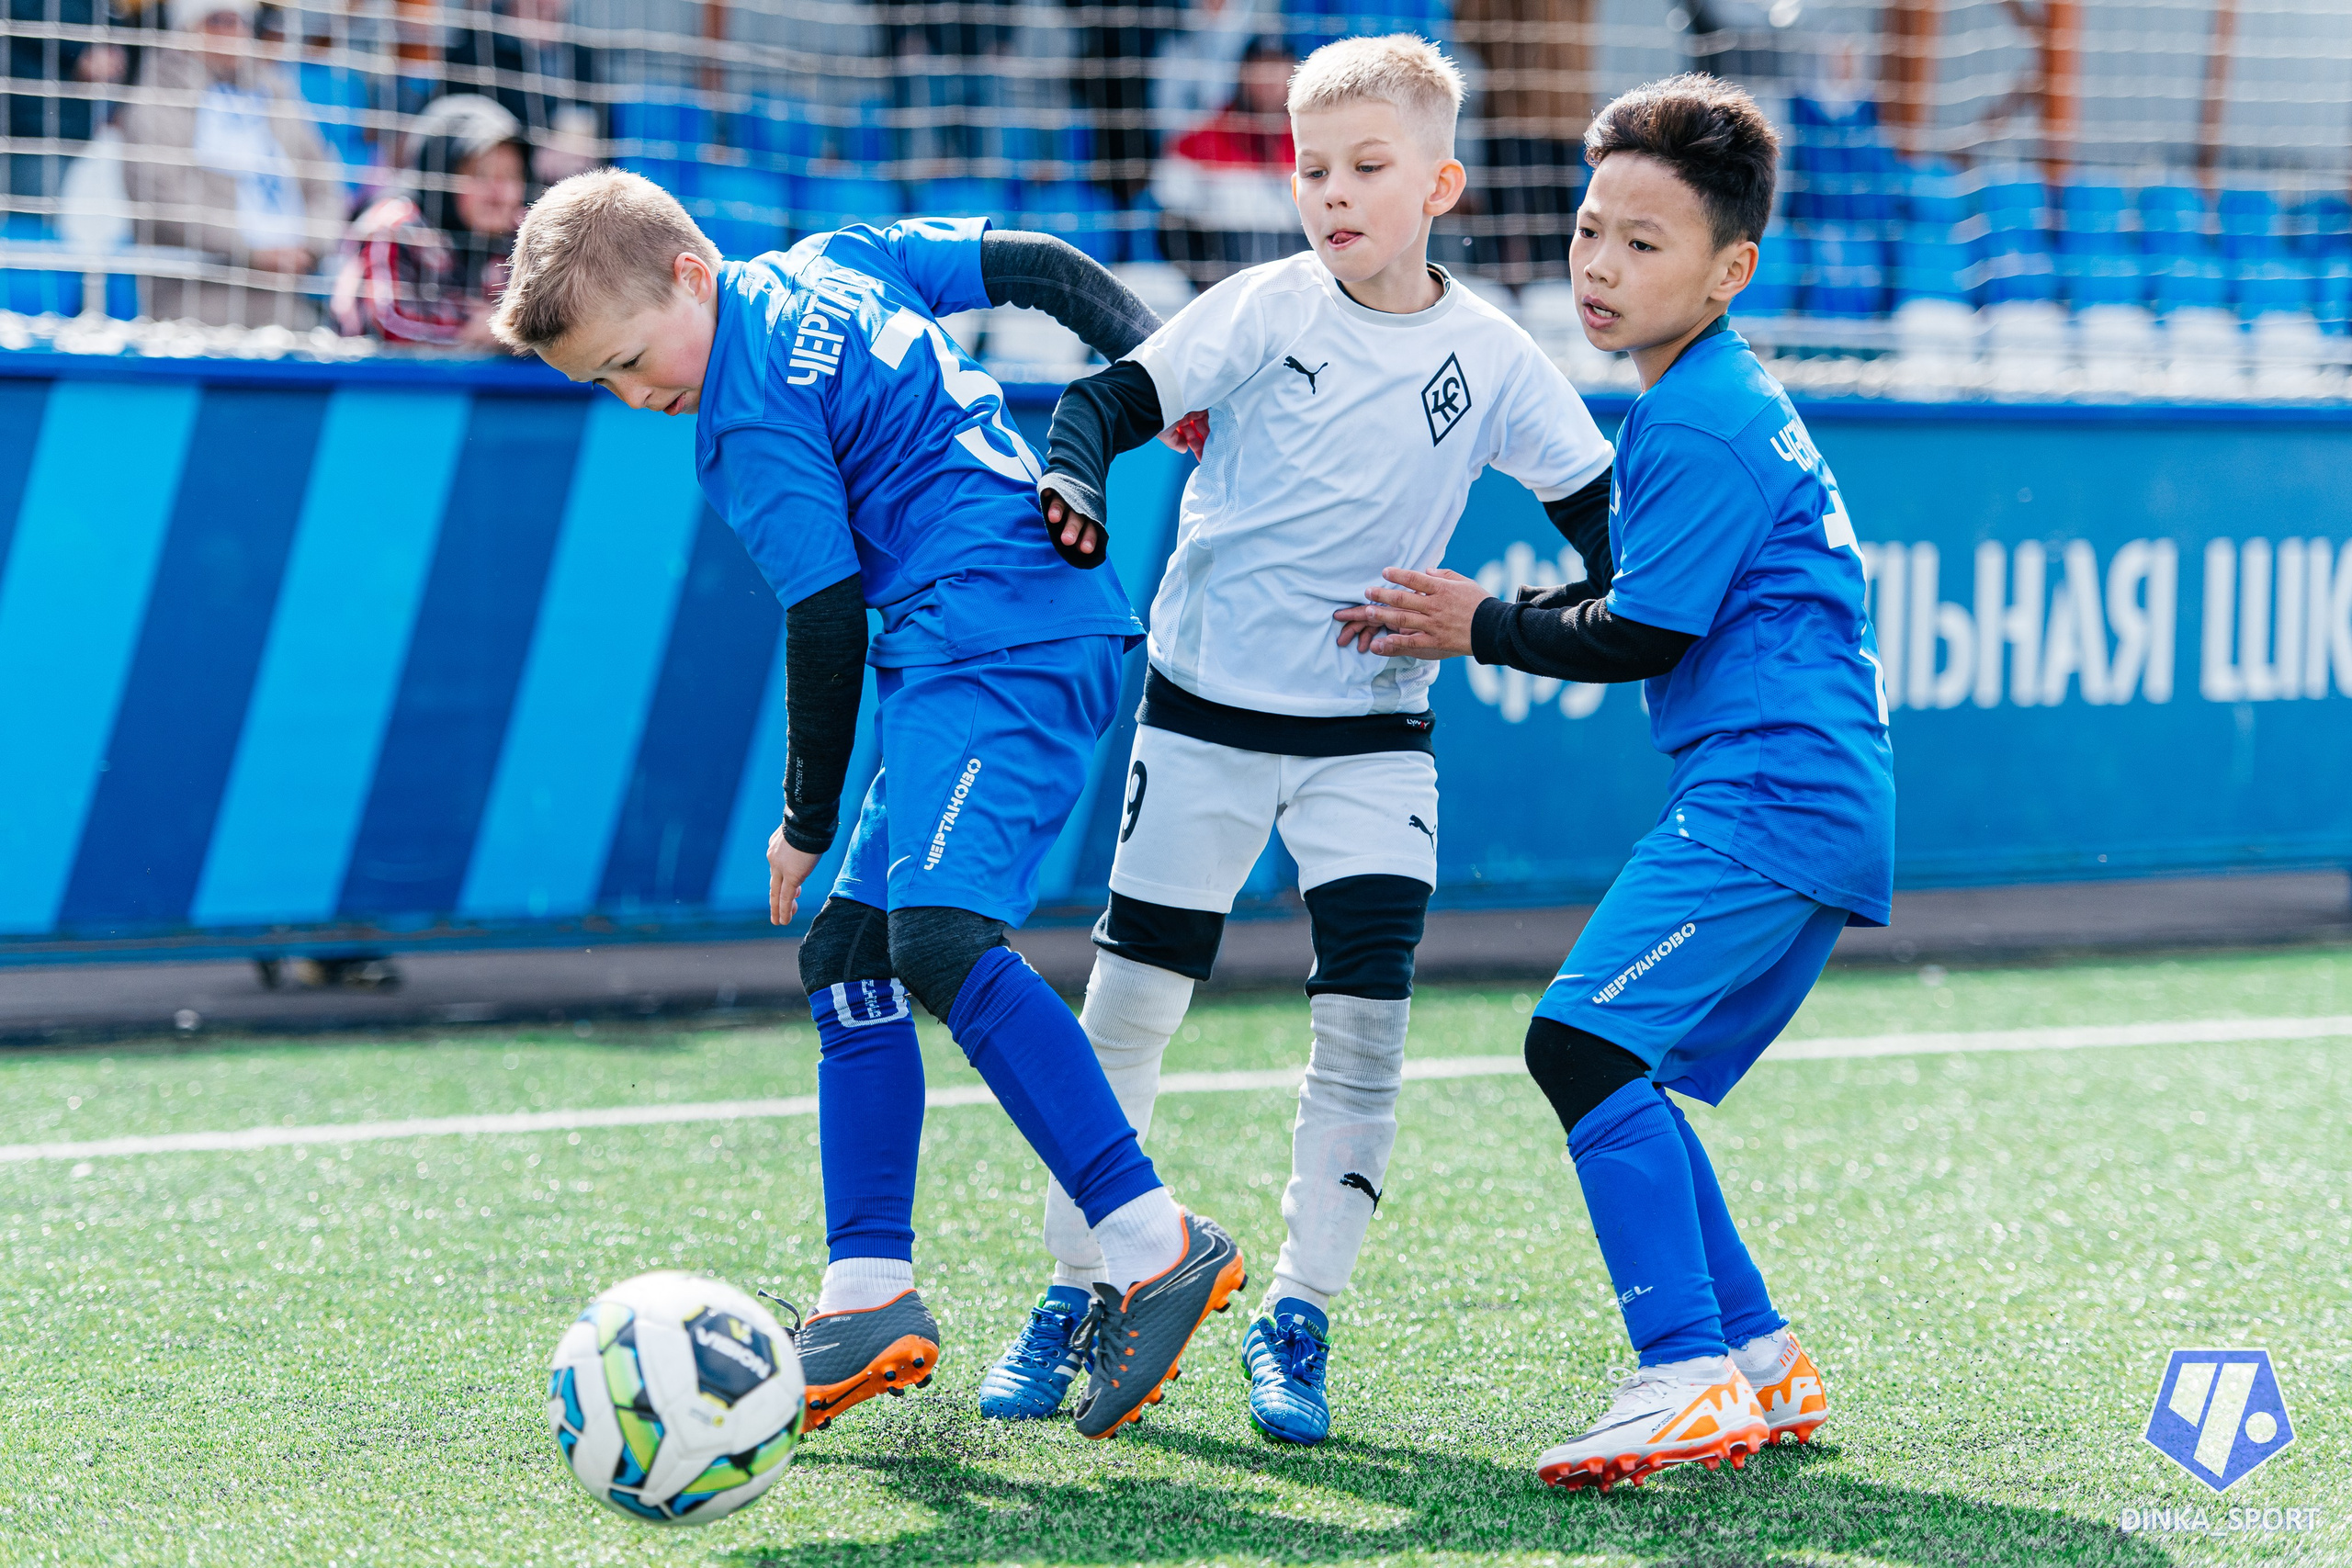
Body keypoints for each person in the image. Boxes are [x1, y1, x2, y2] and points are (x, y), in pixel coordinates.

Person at [489, 172, 1246, 1442]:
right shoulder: (833, 258)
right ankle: (869, 1289)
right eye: (602, 385)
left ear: (689, 275)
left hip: (995, 638)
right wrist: (1152, 368)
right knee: (849, 950)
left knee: (938, 940)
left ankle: (1152, 1238)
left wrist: (804, 814)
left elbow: (826, 613)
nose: (634, 394)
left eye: (627, 361)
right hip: (993, 634)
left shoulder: (738, 416)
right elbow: (1036, 263)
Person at [975, 35, 1614, 1446]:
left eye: (1367, 167)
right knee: (1128, 1017)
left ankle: (1299, 1310)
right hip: (1199, 721)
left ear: (1439, 182)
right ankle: (1076, 1286)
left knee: (1364, 1031)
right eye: (1311, 166)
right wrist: (1075, 480)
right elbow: (1097, 404)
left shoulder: (1496, 357)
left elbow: (1612, 538)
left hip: (1376, 742)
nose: (1331, 192)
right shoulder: (1260, 307)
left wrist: (1495, 618)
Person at [1334, 73, 1894, 1490]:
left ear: (1729, 270)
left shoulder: (1699, 416)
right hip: (1793, 793)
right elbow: (1636, 591)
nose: (1601, 265)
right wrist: (1500, 608)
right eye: (1592, 231)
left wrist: (1480, 621)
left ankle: (1684, 1371)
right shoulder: (1704, 398)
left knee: (1577, 1044)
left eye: (1645, 245)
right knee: (1613, 1054)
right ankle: (1757, 1358)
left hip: (1771, 797)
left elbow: (1645, 627)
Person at [118, 0, 343, 327]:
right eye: (217, 21)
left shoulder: (277, 96)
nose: (232, 33)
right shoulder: (156, 102)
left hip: (287, 296)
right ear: (186, 29)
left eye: (239, 22)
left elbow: (324, 186)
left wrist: (306, 245)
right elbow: (162, 204)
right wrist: (252, 252)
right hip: (194, 300)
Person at [332, 94, 526, 347]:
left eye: (512, 176)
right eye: (481, 174)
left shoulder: (520, 236)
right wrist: (504, 330)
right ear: (441, 174)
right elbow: (388, 323)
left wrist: (513, 330)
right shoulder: (393, 227)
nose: (499, 193)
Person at [1149, 35, 1303, 286]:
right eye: (1260, 66)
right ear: (1241, 73)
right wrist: (1207, 282)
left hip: (1297, 284)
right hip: (1225, 283)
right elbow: (1170, 226)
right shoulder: (1197, 142)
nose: (1269, 78)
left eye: (1278, 67)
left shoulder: (1314, 142)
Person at [441, 0, 601, 186]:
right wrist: (531, 154)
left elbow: (605, 131)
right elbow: (453, 135)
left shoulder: (582, 59)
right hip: (501, 193)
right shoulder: (475, 52)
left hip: (573, 191)